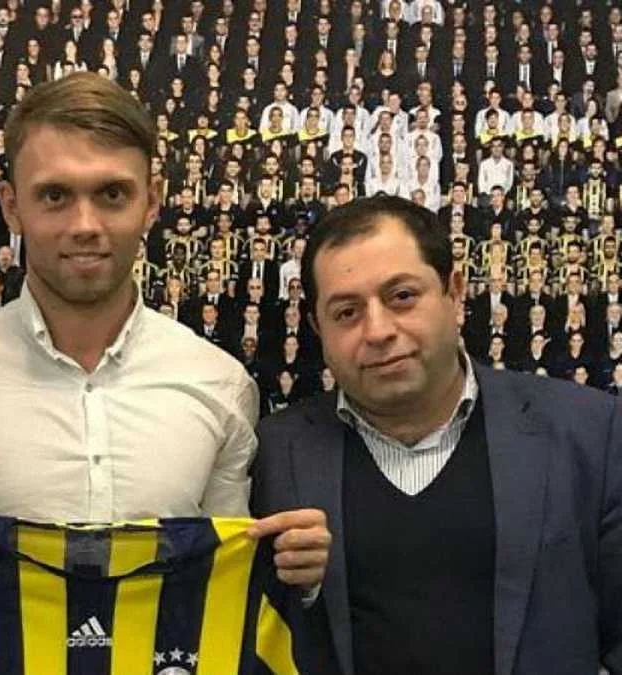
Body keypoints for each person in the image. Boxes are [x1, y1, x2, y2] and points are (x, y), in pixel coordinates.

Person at [0, 72, 329, 593]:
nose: (85, 225)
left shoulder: (223, 386)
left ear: (152, 202)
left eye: (112, 194)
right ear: (11, 207)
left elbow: (223, 588)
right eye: (54, 195)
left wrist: (297, 577)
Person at [250, 195, 622, 674]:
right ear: (318, 328)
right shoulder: (275, 454)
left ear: (454, 291)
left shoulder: (590, 434)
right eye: (346, 312)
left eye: (402, 296)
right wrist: (299, 591)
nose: (378, 330)